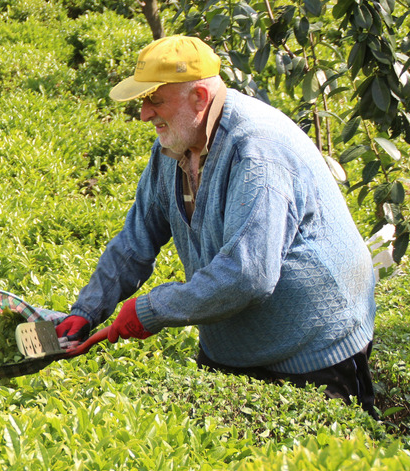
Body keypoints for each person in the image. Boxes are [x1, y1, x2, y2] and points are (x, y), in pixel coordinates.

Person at [55, 35, 378, 416]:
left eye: (154, 100)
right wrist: (88, 309)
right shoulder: (173, 147)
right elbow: (134, 241)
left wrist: (150, 309)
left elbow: (248, 275)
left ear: (199, 98)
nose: (144, 114)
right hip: (234, 343)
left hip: (312, 347)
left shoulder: (256, 150)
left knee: (316, 464)